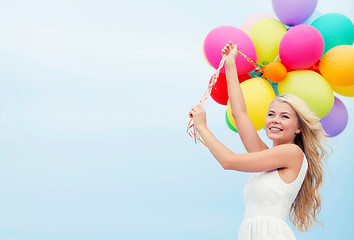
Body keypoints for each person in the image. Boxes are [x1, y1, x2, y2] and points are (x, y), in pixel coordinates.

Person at [189, 42, 330, 239]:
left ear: (299, 128)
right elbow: (239, 114)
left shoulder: (292, 153)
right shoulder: (267, 158)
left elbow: (228, 161)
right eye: (271, 114)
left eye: (285, 116)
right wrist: (230, 65)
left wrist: (202, 128)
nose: (275, 120)